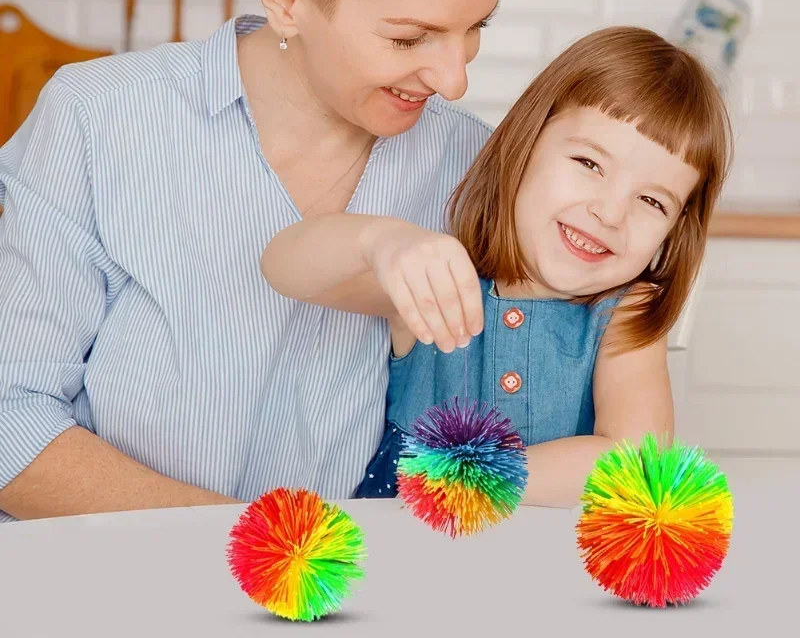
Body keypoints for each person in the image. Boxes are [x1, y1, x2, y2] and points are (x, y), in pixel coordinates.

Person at [0, 0, 527, 521]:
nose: (454, 78)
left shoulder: (472, 165)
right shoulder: (99, 120)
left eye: (475, 27)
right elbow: (12, 419)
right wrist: (260, 553)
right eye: (408, 39)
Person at [261, 26, 734, 508]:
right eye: (590, 164)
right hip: (401, 562)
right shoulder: (443, 280)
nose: (610, 213)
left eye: (652, 200)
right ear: (525, 145)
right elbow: (282, 268)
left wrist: (475, 481)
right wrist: (377, 241)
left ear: (675, 229)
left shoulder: (624, 314)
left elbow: (636, 462)